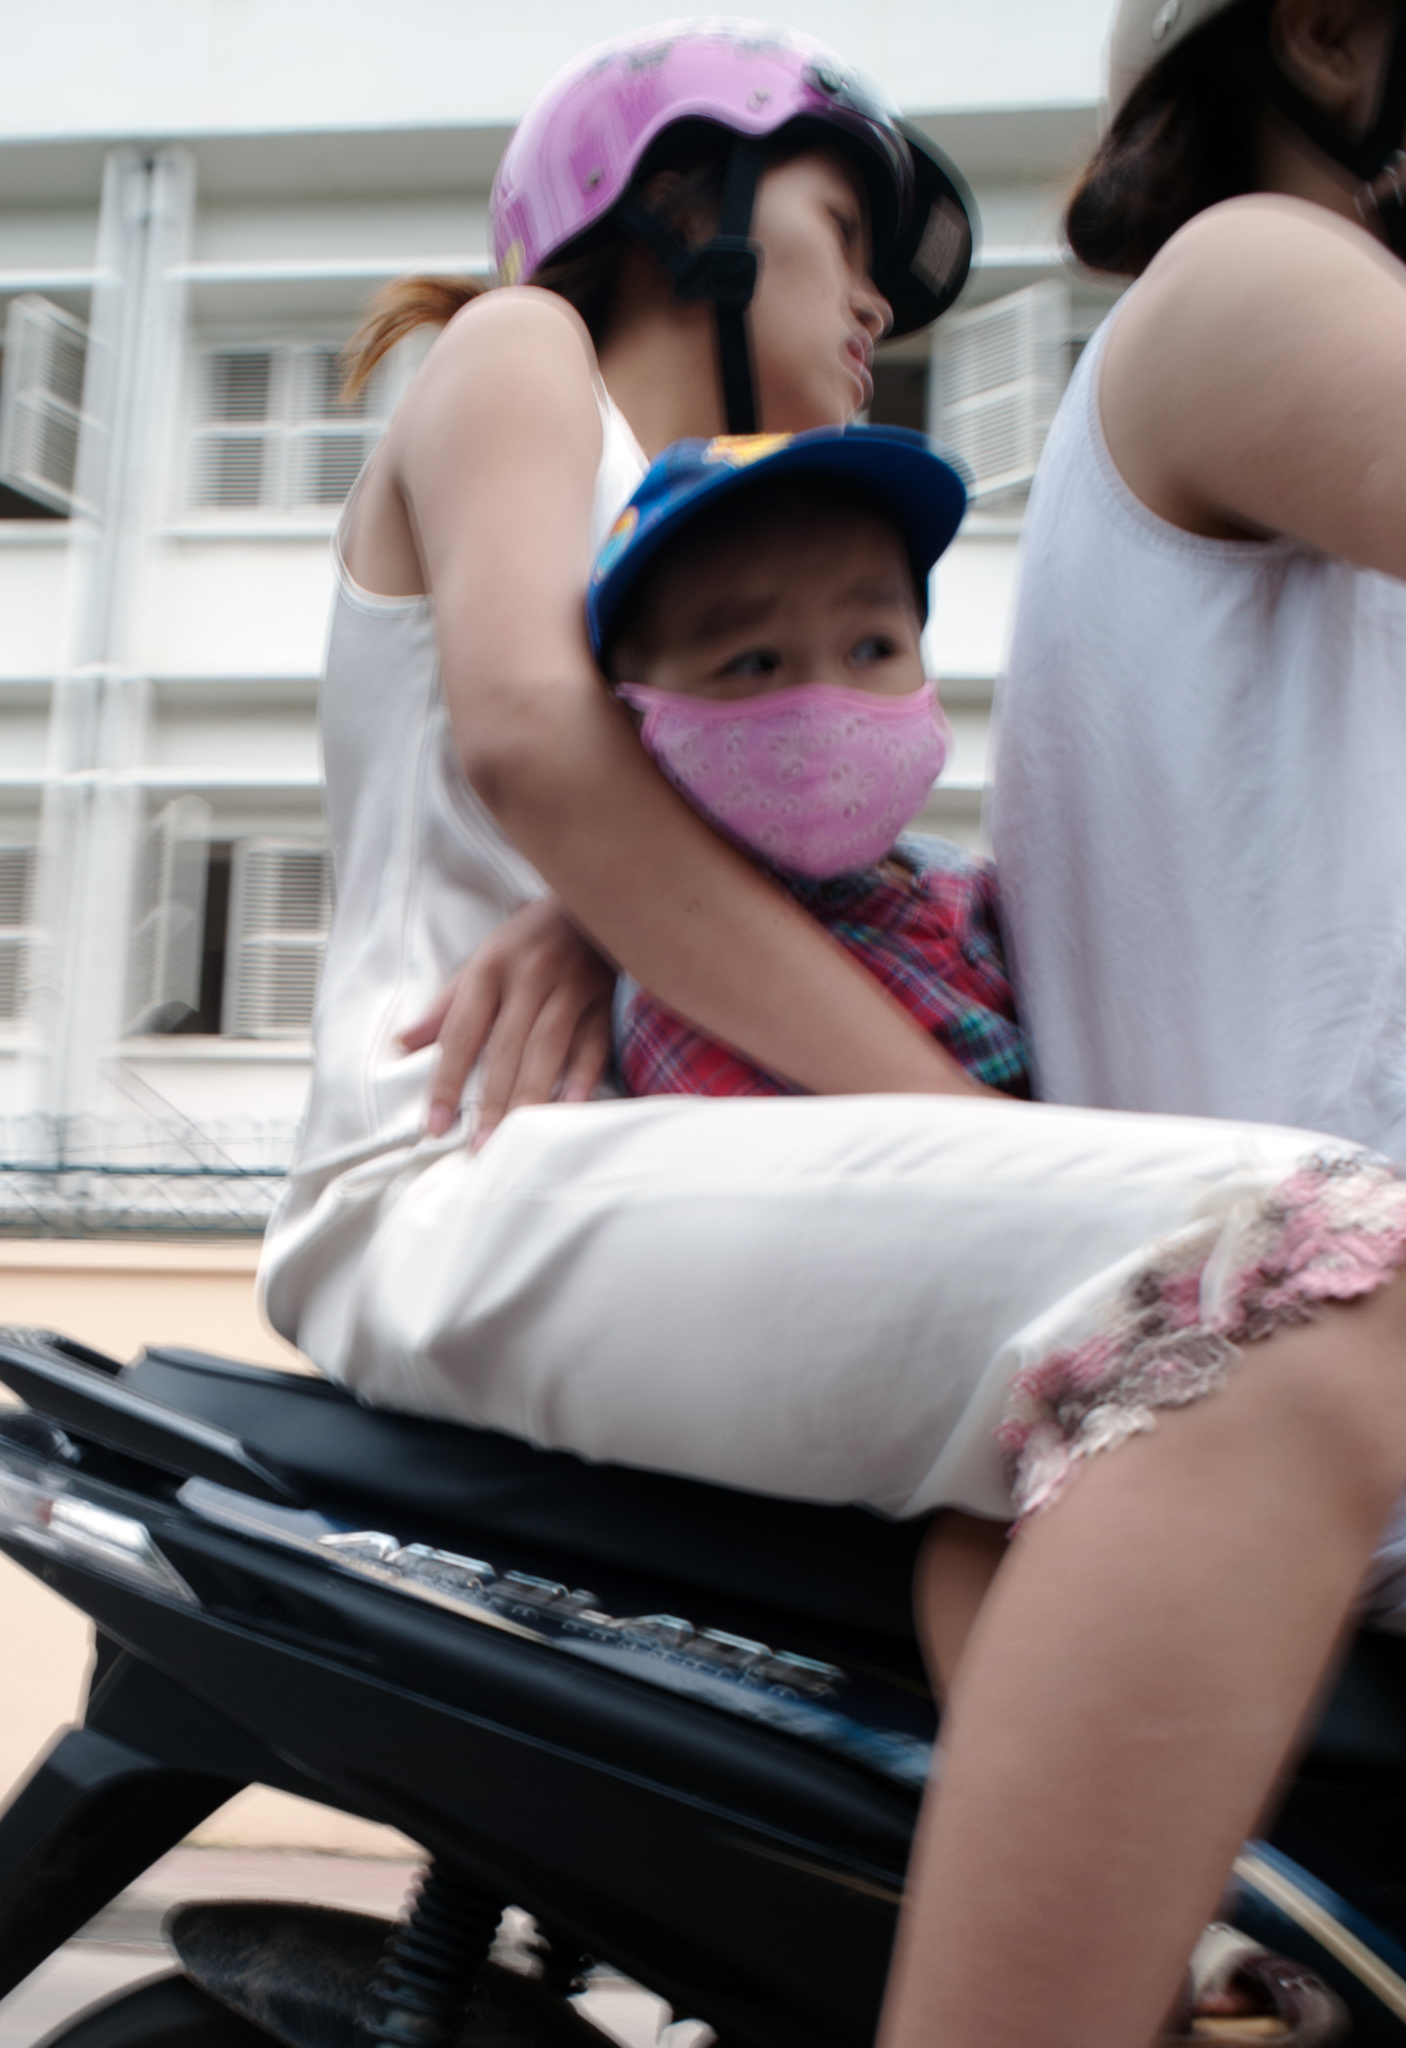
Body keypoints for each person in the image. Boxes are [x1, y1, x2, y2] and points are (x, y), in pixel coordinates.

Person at [256, 21, 1406, 2048]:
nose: (877, 299)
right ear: (680, 211)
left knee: (1080, 1446)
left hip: (652, 1161)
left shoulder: (706, 593)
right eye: (837, 231)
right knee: (1284, 1277)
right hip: (459, 1170)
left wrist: (616, 903)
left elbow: (652, 794)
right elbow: (528, 737)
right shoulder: (518, 355)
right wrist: (969, 1117)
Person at [587, 426, 1028, 1099]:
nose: (829, 702)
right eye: (754, 661)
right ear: (635, 715)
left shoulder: (972, 886)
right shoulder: (693, 998)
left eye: (873, 648)